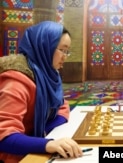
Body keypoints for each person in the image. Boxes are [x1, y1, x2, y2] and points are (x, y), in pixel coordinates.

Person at [0, 21, 83, 162]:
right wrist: (47, 143)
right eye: (62, 50)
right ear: (45, 46)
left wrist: (44, 131)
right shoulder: (16, 81)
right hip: (16, 155)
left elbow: (62, 106)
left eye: (67, 51)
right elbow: (4, 136)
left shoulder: (49, 74)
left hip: (33, 143)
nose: (65, 56)